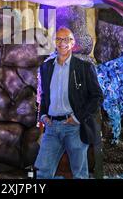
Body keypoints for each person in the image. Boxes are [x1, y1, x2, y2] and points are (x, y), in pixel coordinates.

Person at [35, 27, 103, 179]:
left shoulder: (84, 68)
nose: (62, 43)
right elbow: (44, 95)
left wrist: (78, 117)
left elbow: (97, 96)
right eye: (58, 39)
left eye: (66, 39)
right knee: (42, 172)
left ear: (73, 43)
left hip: (74, 127)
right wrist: (43, 115)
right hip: (51, 128)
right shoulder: (46, 67)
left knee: (79, 174)